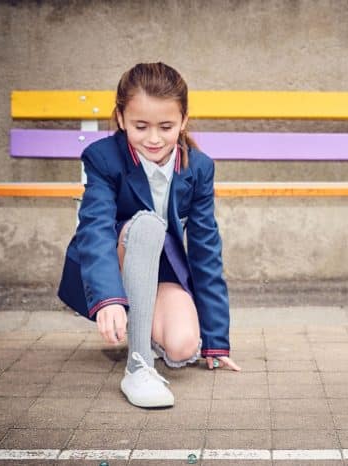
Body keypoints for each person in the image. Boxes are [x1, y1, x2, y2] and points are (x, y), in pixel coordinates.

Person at [58, 62, 240, 409]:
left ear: (183, 121)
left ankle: (148, 326)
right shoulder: (103, 158)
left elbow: (205, 249)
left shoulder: (199, 167)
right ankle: (138, 366)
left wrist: (216, 340)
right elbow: (95, 228)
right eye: (141, 126)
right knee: (146, 225)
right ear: (121, 118)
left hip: (161, 271)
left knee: (183, 347)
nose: (154, 138)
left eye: (166, 127)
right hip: (116, 257)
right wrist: (108, 297)